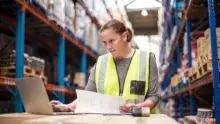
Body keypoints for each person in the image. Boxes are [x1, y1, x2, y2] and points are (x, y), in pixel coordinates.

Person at [50, 19, 160, 113]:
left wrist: (138, 107)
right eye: (105, 42)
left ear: (124, 36)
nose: (108, 46)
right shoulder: (101, 62)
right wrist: (67, 106)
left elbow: (154, 96)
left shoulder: (147, 60)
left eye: (112, 41)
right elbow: (88, 96)